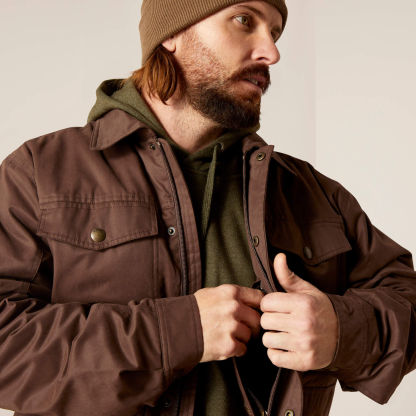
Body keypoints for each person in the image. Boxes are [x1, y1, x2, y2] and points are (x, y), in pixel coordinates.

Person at [0, 0, 415, 415]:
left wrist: (342, 331)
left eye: (274, 32)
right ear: (171, 33)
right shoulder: (39, 173)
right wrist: (178, 333)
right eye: (244, 20)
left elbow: (408, 303)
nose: (271, 52)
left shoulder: (309, 192)